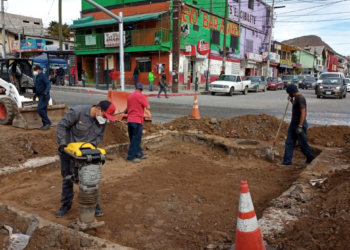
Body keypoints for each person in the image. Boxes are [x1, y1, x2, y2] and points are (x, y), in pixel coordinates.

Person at [55, 100, 116, 217]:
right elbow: (62, 125)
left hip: (86, 154)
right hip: (69, 151)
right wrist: (62, 143)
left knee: (90, 178)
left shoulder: (101, 121)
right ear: (98, 109)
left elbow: (100, 136)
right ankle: (66, 204)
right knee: (68, 178)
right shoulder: (78, 112)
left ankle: (94, 203)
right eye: (105, 115)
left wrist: (91, 149)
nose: (105, 119)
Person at [277, 84, 314, 167]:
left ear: (292, 92)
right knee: (289, 143)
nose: (288, 94)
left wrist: (300, 126)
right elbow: (296, 105)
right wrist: (291, 101)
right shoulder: (296, 98)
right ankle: (287, 161)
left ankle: (310, 158)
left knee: (302, 144)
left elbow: (303, 113)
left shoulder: (300, 98)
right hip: (293, 124)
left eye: (289, 93)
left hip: (299, 124)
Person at [123, 83, 151, 163]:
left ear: (135, 88)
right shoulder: (141, 96)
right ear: (141, 89)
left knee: (133, 138)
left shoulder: (130, 96)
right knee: (136, 139)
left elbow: (127, 110)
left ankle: (139, 153)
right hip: (137, 120)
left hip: (130, 120)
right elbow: (148, 107)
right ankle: (131, 156)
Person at [33, 65, 51, 130]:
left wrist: (45, 93)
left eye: (35, 70)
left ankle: (47, 122)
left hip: (44, 95)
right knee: (44, 110)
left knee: (39, 109)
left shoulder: (43, 76)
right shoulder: (37, 77)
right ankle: (45, 125)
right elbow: (39, 86)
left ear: (39, 70)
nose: (34, 72)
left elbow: (48, 84)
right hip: (40, 95)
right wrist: (36, 94)